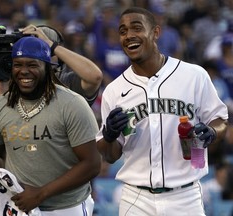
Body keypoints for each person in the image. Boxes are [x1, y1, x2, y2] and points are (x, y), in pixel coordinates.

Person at [96, 7, 228, 215]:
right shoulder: (114, 90)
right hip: (135, 198)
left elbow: (220, 119)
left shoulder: (193, 75)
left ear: (156, 32)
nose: (129, 35)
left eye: (136, 28)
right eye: (122, 31)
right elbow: (110, 156)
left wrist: (212, 131)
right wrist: (109, 135)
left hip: (185, 196)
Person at [0, 36, 101, 215]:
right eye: (18, 65)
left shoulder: (72, 103)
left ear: (48, 68)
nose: (24, 71)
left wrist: (41, 194)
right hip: (18, 207)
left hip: (66, 207)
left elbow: (92, 163)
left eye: (32, 65)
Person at [21, 24, 103, 107]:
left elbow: (95, 76)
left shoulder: (67, 82)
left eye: (48, 52)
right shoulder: (18, 80)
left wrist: (51, 45)